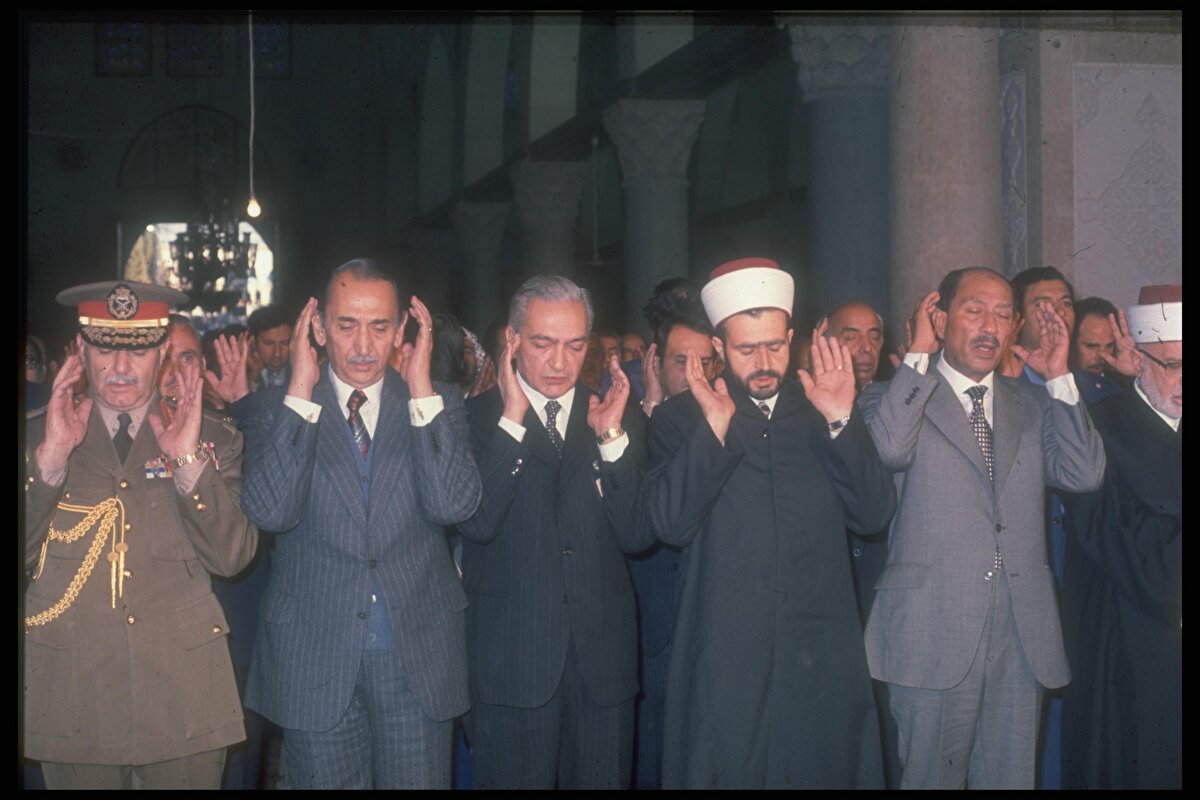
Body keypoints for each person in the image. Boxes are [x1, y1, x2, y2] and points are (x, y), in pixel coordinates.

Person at [645, 257, 897, 788]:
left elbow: (874, 514)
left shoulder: (823, 408)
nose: (763, 361)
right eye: (745, 348)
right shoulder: (682, 419)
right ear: (717, 347)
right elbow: (668, 523)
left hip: (820, 649)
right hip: (726, 652)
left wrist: (840, 420)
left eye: (775, 345)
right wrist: (713, 429)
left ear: (792, 337)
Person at [238, 258, 482, 789]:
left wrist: (421, 392)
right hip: (315, 658)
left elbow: (453, 507)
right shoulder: (268, 409)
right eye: (346, 325)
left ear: (401, 331)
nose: (364, 345)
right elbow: (272, 512)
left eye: (379, 326)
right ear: (319, 328)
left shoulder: (440, 402)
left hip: (415, 661)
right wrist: (299, 391)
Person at [858, 267, 1105, 789]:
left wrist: (1060, 375)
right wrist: (916, 358)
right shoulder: (893, 397)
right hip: (930, 634)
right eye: (974, 311)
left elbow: (1084, 474)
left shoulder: (1033, 404)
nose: (989, 327)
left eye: (1002, 315)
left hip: (1020, 637)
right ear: (940, 318)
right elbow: (888, 450)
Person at [24, 280, 258, 789]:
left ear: (163, 355)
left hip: (184, 700)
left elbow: (234, 557)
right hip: (73, 697)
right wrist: (49, 463)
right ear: (81, 350)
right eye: (105, 349)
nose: (121, 369)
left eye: (139, 351)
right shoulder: (35, 435)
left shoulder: (213, 437)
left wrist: (187, 466)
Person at [458, 275, 651, 789]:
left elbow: (636, 534)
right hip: (511, 666)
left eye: (575, 345)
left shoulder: (614, 413)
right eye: (543, 344)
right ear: (512, 341)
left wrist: (611, 440)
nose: (561, 363)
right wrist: (513, 423)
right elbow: (476, 522)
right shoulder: (474, 420)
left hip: (602, 669)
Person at [1058, 285, 1181, 789]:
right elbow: (1113, 536)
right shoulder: (1099, 428)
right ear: (1136, 356)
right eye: (1173, 365)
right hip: (1131, 643)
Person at [627, 305, 715, 789]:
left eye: (705, 361)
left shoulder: (732, 425)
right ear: (656, 364)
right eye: (682, 360)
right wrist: (652, 414)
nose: (693, 374)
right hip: (655, 629)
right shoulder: (627, 422)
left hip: (714, 632)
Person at [1070, 296, 1124, 405]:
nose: (1102, 356)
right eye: (1092, 346)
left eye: (1109, 345)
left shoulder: (1124, 381)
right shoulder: (1062, 387)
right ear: (1070, 342)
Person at [825, 302, 885, 391]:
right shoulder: (803, 400)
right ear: (825, 344)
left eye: (874, 337)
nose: (867, 347)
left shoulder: (894, 398)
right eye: (851, 337)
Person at [247, 305, 293, 390]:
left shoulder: (299, 372)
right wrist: (252, 377)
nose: (277, 354)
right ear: (253, 342)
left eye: (285, 343)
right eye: (268, 343)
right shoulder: (241, 374)